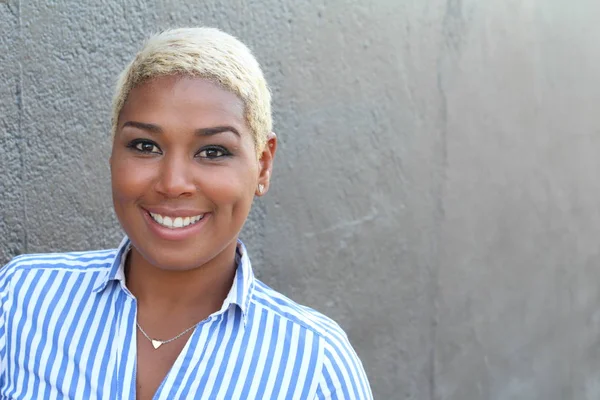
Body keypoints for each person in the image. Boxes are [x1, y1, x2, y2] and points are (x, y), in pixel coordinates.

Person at [0, 27, 373, 399]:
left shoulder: (315, 366)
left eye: (213, 151)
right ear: (113, 154)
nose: (173, 183)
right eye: (145, 146)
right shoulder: (20, 301)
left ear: (262, 166)